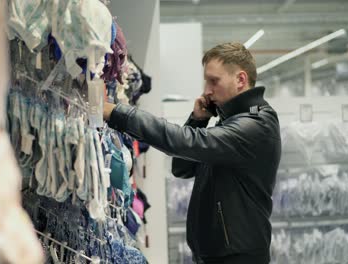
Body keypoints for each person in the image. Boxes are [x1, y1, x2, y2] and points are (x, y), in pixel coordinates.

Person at [103, 42, 281, 264]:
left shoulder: (256, 125)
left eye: (214, 81)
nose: (207, 90)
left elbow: (186, 142)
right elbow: (183, 167)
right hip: (218, 255)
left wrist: (118, 114)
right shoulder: (230, 121)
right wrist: (199, 119)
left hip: (237, 257)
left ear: (241, 80)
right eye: (207, 81)